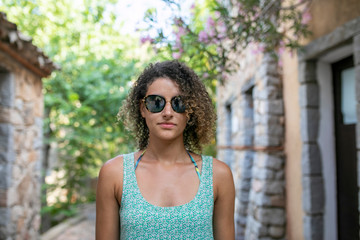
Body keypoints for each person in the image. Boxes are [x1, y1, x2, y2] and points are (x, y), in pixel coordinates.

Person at [96, 60, 235, 240]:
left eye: (179, 103)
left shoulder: (218, 175)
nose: (168, 112)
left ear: (190, 111)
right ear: (142, 109)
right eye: (156, 102)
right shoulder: (115, 173)